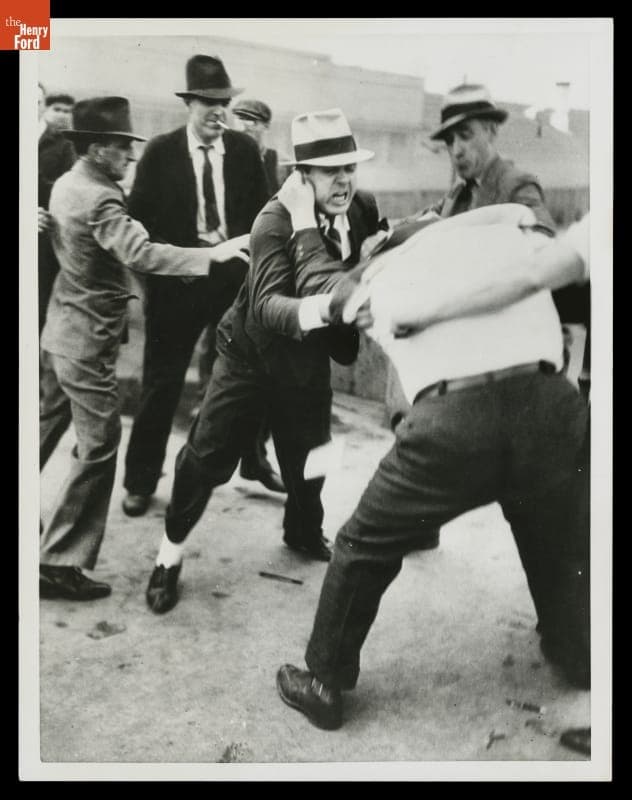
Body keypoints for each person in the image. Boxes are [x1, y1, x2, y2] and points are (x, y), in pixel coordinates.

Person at [275, 204, 590, 731]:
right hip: (549, 407)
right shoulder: (511, 233)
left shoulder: (380, 271)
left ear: (385, 242)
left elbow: (325, 288)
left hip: (454, 421)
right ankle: (579, 653)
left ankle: (324, 681)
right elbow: (525, 220)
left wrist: (311, 228)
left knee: (362, 544)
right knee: (560, 536)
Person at [144, 108, 385, 614]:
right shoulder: (272, 220)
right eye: (329, 170)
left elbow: (368, 252)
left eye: (349, 168)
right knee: (206, 457)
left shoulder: (362, 205)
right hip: (249, 357)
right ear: (302, 176)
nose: (343, 180)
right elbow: (270, 308)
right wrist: (336, 305)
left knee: (314, 455)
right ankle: (168, 556)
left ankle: (302, 530)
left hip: (307, 360)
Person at [39, 96, 247, 601]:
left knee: (43, 427)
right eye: (119, 147)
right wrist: (212, 254)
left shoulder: (69, 184)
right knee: (101, 443)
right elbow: (142, 252)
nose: (130, 156)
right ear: (94, 148)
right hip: (87, 342)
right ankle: (57, 561)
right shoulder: (101, 198)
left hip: (60, 332)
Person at [121, 54, 283, 520]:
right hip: (178, 283)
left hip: (232, 279)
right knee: (162, 383)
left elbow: (264, 214)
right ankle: (140, 479)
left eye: (224, 103)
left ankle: (251, 459)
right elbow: (139, 224)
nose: (218, 112)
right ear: (189, 103)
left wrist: (258, 271)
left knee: (247, 374)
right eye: (209, 103)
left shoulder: (245, 151)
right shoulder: (160, 152)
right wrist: (158, 284)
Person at [38, 85, 76, 333]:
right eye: (57, 109)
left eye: (66, 111)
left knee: (37, 304)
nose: (62, 114)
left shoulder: (63, 143)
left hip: (43, 233)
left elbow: (67, 187)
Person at [232, 98, 280, 196]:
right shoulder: (225, 159)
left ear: (266, 126)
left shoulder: (280, 163)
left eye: (251, 121)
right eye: (239, 120)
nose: (244, 128)